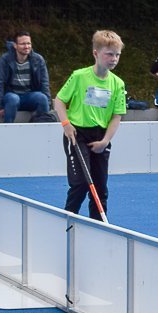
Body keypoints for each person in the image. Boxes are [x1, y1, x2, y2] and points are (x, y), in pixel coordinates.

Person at [54, 30, 126, 219]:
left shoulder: (118, 83)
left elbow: (116, 116)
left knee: (100, 188)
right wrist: (66, 124)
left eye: (117, 55)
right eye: (109, 54)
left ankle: (98, 226)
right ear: (96, 53)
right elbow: (59, 101)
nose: (114, 59)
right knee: (81, 183)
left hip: (101, 137)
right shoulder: (79, 76)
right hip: (77, 135)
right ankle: (68, 219)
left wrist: (105, 141)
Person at [0, 31, 50, 123]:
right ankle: (7, 128)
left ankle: (41, 127)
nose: (26, 46)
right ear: (15, 45)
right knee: (13, 99)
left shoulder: (38, 59)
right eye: (23, 44)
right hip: (10, 95)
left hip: (29, 96)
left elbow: (44, 82)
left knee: (42, 98)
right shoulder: (5, 59)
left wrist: (48, 103)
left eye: (28, 43)